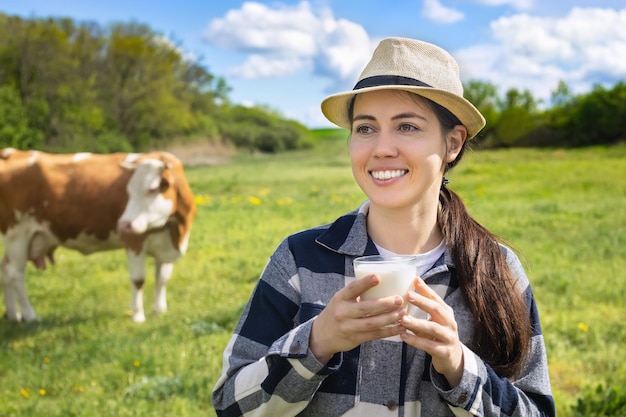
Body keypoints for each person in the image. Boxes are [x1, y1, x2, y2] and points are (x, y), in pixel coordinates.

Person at [212, 37, 555, 417]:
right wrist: (317, 342)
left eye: (407, 127)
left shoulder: (497, 270)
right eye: (365, 128)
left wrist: (460, 368)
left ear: (453, 143)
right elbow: (229, 406)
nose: (381, 148)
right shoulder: (299, 259)